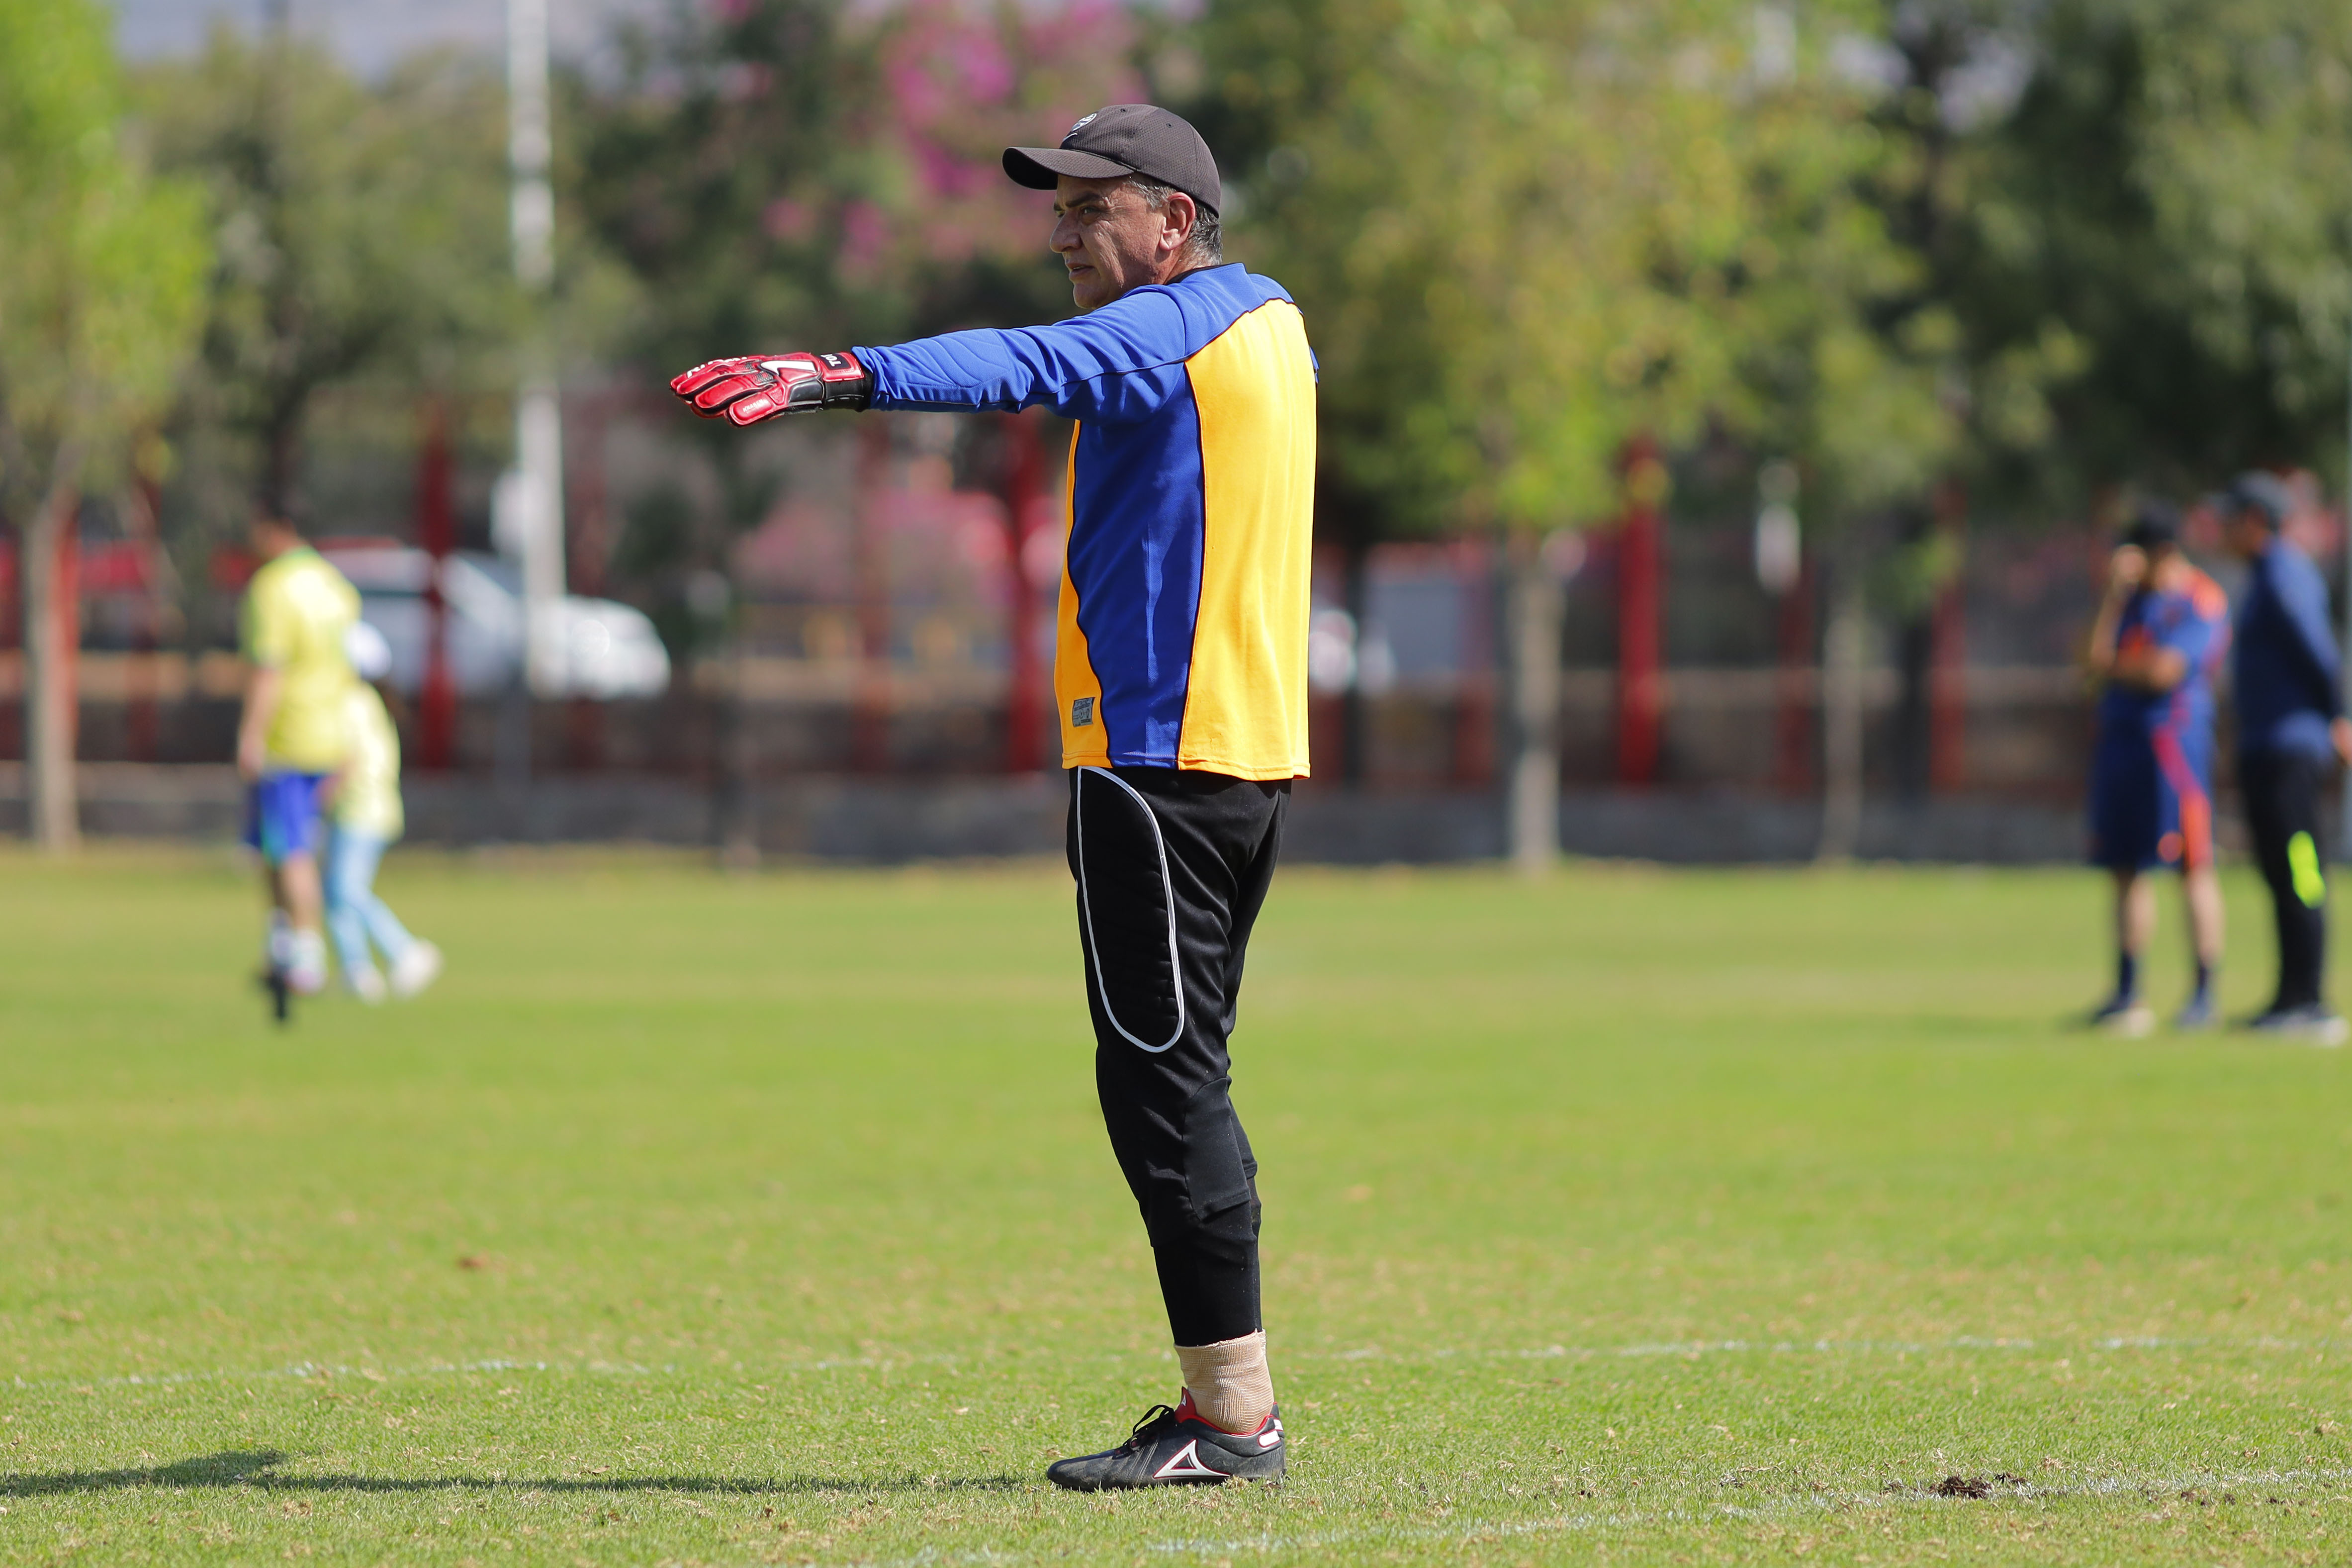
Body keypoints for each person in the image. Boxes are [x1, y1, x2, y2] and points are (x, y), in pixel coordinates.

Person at [670, 104, 1309, 1489]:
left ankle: (1230, 1421)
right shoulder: (1268, 320)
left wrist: (839, 373)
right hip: (1235, 760)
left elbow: (1024, 363)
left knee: (1163, 1085)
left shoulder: (1171, 326)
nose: (1063, 231)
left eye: (1092, 206)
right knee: (1176, 1076)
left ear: (1175, 223)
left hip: (1156, 767)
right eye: (1056, 208)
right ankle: (1229, 1409)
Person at [2082, 502, 2231, 1034]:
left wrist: (2116, 668)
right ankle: (2127, 994)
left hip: (2175, 749)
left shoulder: (2199, 598)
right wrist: (2110, 598)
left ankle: (2203, 994)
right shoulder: (2127, 600)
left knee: (2192, 865)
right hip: (2121, 744)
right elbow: (2090, 664)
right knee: (2125, 866)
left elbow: (2164, 672)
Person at [2219, 470, 2351, 1044]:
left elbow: (2318, 653)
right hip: (2263, 749)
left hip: (2290, 750)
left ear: (2254, 521)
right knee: (2278, 873)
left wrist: (2338, 716)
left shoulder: (2283, 572)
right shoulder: (2262, 575)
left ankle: (2312, 1001)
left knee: (2302, 870)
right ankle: (2287, 997)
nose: (2222, 530)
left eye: (2230, 519)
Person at [236, 507, 361, 999]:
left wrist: (251, 734)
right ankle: (283, 944)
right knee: (280, 846)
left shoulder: (273, 588)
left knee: (290, 850)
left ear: (273, 529)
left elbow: (269, 667)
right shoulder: (335, 585)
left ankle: (305, 954)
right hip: (330, 734)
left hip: (289, 738)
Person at [324, 621, 443, 1004]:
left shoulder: (351, 702)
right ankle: (356, 971)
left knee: (346, 889)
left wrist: (316, 799)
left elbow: (346, 762)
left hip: (363, 809)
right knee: (336, 892)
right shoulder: (367, 702)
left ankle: (404, 950)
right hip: (364, 808)